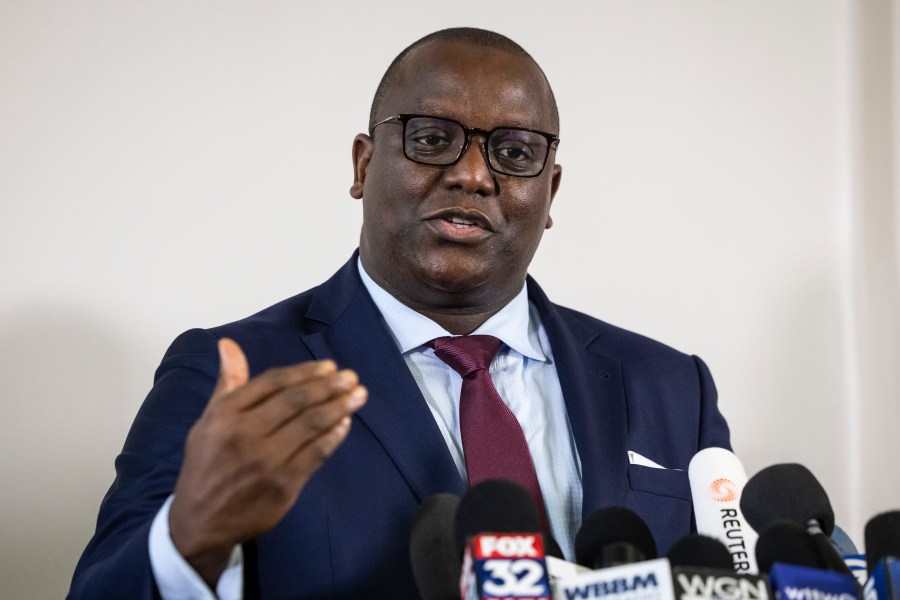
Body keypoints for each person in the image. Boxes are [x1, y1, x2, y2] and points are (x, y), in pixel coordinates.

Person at [68, 27, 730, 599]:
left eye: (515, 152)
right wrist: (189, 540)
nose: (473, 175)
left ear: (549, 191)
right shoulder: (229, 378)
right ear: (363, 165)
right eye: (433, 137)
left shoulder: (674, 387)